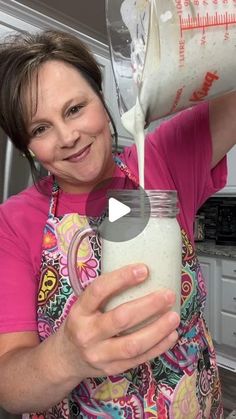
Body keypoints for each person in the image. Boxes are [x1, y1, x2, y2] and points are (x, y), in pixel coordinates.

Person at [0, 29, 235, 419]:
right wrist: (67, 356)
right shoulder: (13, 222)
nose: (68, 136)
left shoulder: (163, 160)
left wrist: (184, 37)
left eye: (75, 108)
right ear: (27, 145)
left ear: (102, 99)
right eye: (40, 129)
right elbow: (9, 386)